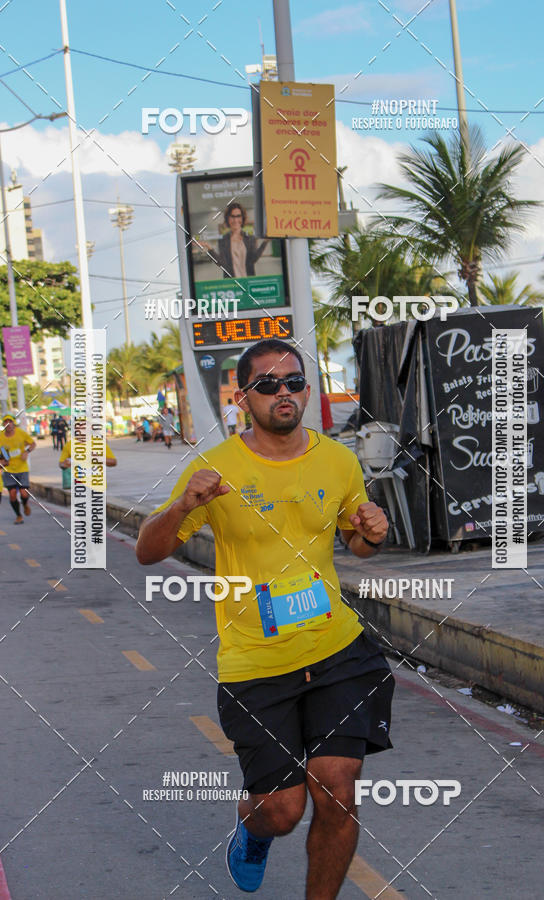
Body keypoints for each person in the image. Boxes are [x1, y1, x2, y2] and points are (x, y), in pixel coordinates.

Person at [136, 338, 393, 898]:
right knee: (281, 811)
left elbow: (357, 542)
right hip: (255, 661)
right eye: (268, 385)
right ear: (242, 397)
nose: (284, 393)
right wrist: (182, 506)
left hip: (336, 648)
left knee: (337, 788)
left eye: (294, 382)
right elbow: (147, 552)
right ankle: (253, 831)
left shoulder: (338, 459)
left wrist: (372, 533)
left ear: (307, 388)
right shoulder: (215, 468)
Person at [198, 202, 269, 278]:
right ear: (228, 218)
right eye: (232, 216)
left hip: (248, 280)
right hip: (231, 282)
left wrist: (265, 242)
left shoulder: (250, 238)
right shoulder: (223, 240)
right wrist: (209, 247)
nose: (235, 220)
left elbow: (253, 259)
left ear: (242, 218)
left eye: (238, 216)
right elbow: (222, 264)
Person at [0, 414, 36, 524]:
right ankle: (19, 515)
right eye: (6, 422)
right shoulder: (1, 436)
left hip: (22, 468)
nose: (8, 424)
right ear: (3, 424)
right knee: (12, 494)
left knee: (24, 493)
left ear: (14, 423)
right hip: (9, 469)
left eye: (10, 422)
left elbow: (32, 443)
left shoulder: (21, 433)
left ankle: (25, 504)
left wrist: (27, 451)